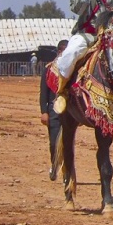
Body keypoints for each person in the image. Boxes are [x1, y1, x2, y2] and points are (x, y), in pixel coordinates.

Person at [40, 39, 68, 181]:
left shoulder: (73, 69)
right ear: (58, 52)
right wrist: (44, 112)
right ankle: (54, 164)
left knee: (68, 143)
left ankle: (66, 171)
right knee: (53, 142)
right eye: (62, 50)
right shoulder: (49, 69)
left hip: (69, 111)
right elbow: (43, 93)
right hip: (53, 110)